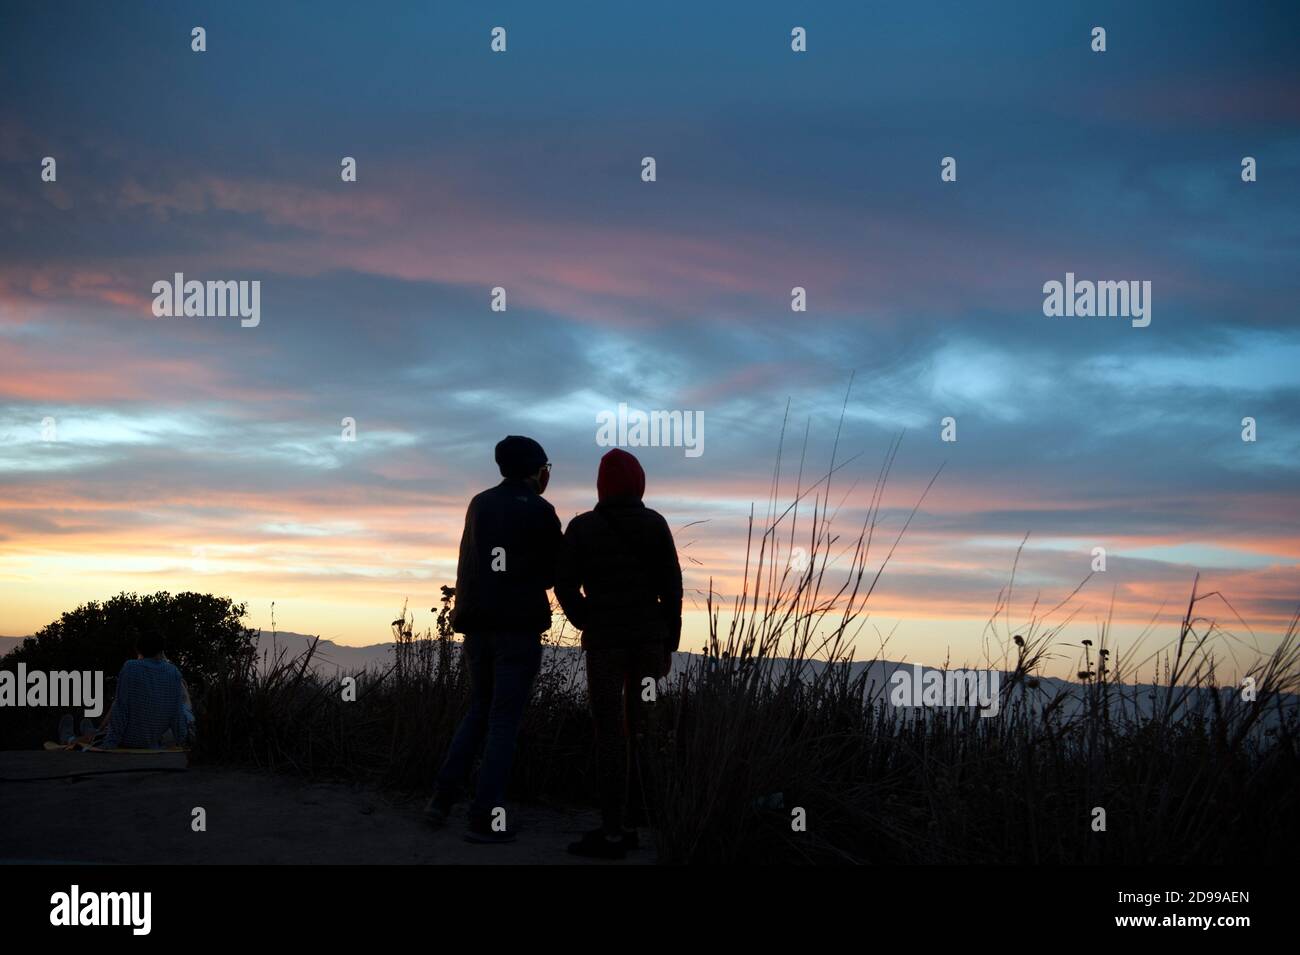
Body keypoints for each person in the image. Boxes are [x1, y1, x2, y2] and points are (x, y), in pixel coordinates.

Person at [426, 435, 562, 843]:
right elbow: (555, 572)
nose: (548, 475)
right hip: (517, 631)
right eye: (546, 468)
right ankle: (485, 817)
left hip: (478, 628)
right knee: (504, 721)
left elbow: (470, 562)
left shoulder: (479, 504)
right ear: (536, 471)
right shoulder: (540, 510)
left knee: (478, 711)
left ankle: (440, 803)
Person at [555, 448, 682, 859]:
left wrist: (585, 620)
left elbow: (564, 585)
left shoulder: (582, 528)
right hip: (647, 646)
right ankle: (642, 819)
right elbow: (673, 589)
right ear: (639, 482)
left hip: (605, 646)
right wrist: (667, 642)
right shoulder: (656, 524)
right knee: (643, 728)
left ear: (601, 485)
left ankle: (612, 831)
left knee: (609, 732)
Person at [76, 628, 194, 750]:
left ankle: (69, 737)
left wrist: (110, 744)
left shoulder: (130, 667)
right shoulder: (173, 672)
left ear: (138, 649)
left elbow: (121, 708)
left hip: (127, 740)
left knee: (94, 738)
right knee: (96, 734)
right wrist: (183, 741)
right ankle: (89, 731)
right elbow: (176, 712)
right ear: (161, 650)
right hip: (153, 741)